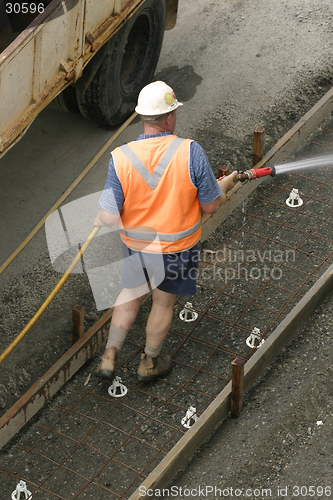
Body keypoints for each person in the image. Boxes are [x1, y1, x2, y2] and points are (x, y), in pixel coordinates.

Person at [93, 80, 237, 383]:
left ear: (143, 117)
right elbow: (210, 206)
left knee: (130, 295)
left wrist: (101, 216)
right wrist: (224, 186)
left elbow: (107, 215)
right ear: (170, 116)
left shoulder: (121, 157)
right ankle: (149, 363)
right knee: (162, 302)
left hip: (136, 246)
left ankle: (109, 355)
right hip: (176, 250)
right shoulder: (190, 152)